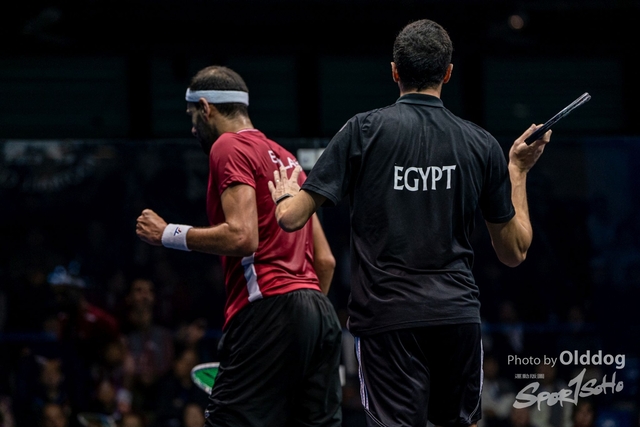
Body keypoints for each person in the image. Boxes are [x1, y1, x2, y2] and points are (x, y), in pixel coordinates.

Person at [268, 18, 552, 427]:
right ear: (448, 73)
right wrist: (518, 172)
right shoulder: (481, 143)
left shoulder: (362, 131)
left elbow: (291, 218)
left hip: (387, 323)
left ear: (394, 71)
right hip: (457, 317)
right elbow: (514, 252)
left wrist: (283, 196)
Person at [135, 65, 342, 426]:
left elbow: (243, 237)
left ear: (206, 108)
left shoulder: (228, 145)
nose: (193, 127)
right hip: (319, 314)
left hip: (267, 308)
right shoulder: (287, 158)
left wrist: (167, 233)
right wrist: (300, 325)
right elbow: (325, 261)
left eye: (192, 115)